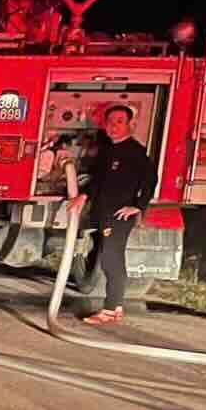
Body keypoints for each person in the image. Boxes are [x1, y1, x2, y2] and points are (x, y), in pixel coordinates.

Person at [69, 102, 151, 325]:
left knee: (110, 260)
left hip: (119, 215)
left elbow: (150, 180)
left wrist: (138, 206)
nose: (114, 126)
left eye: (120, 122)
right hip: (105, 212)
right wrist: (83, 196)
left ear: (130, 125)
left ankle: (109, 310)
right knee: (111, 258)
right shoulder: (108, 150)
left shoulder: (135, 152)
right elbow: (98, 179)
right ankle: (116, 308)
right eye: (110, 122)